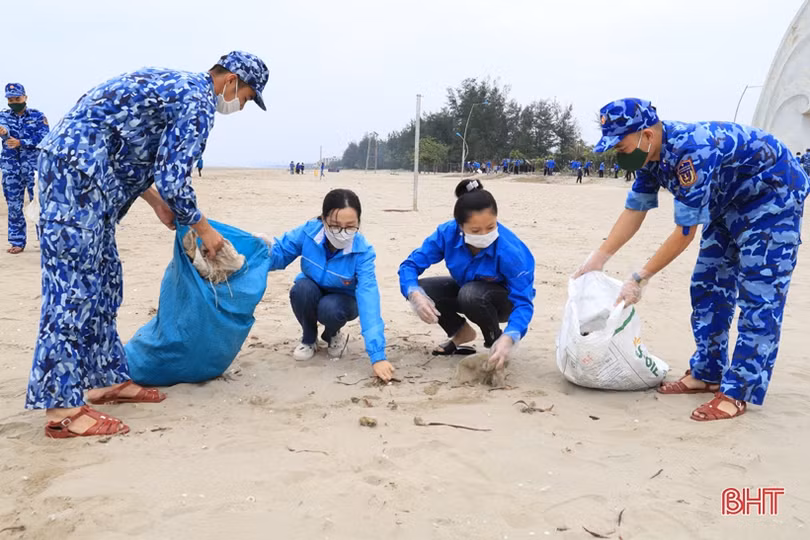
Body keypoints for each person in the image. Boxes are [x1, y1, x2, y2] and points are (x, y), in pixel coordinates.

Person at [27, 51, 269, 438]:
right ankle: (62, 409)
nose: (239, 105)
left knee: (105, 281)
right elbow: (175, 179)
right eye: (245, 97)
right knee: (74, 288)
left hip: (90, 176)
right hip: (77, 176)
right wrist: (204, 230)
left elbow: (131, 148)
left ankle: (105, 379)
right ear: (231, 81)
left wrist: (157, 202)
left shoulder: (177, 86)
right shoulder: (197, 101)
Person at [574, 97, 808, 422]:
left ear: (647, 135)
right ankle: (708, 373)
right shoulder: (650, 160)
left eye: (622, 147)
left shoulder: (691, 151)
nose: (619, 155)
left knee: (760, 295)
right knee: (707, 284)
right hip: (727, 202)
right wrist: (598, 257)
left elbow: (685, 232)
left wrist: (640, 277)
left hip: (772, 197)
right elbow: (635, 210)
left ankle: (738, 390)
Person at [398, 179, 535, 371]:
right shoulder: (447, 234)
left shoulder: (511, 252)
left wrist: (510, 336)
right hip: (467, 290)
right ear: (460, 226)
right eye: (475, 230)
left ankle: (495, 343)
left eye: (491, 227)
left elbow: (523, 302)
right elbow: (409, 266)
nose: (485, 234)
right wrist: (414, 294)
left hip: (503, 302)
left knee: (471, 294)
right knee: (424, 289)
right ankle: (460, 332)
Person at [258, 189, 394, 381]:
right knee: (301, 289)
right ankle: (309, 338)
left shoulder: (363, 253)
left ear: (358, 224)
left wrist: (377, 356)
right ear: (323, 220)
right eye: (335, 226)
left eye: (350, 227)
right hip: (311, 289)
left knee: (331, 308)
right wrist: (263, 250)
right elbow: (280, 256)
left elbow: (368, 297)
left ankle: (332, 334)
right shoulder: (308, 231)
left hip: (343, 301)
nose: (342, 233)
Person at [0, 83, 49, 254]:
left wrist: (22, 142)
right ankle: (17, 242)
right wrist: (4, 133)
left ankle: (44, 241)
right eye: (10, 99)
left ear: (25, 97)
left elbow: (44, 137)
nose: (14, 102)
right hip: (11, 168)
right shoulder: (3, 116)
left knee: (39, 204)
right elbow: (3, 129)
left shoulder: (37, 116)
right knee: (14, 206)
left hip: (33, 168)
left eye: (17, 99)